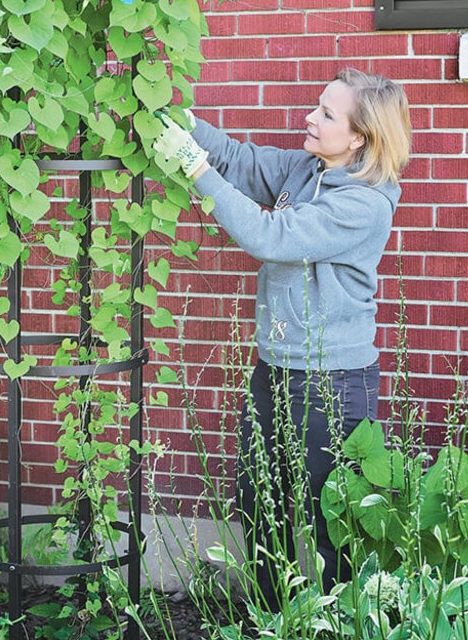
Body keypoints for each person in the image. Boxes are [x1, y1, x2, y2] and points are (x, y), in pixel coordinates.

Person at [150, 68, 412, 609]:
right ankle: (272, 623)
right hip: (275, 369)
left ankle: (337, 626)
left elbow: (273, 236)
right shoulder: (307, 168)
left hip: (332, 383)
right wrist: (185, 123)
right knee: (259, 502)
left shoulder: (364, 204)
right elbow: (243, 161)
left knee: (327, 523)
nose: (309, 119)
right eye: (317, 107)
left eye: (326, 114)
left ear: (360, 136)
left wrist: (193, 167)